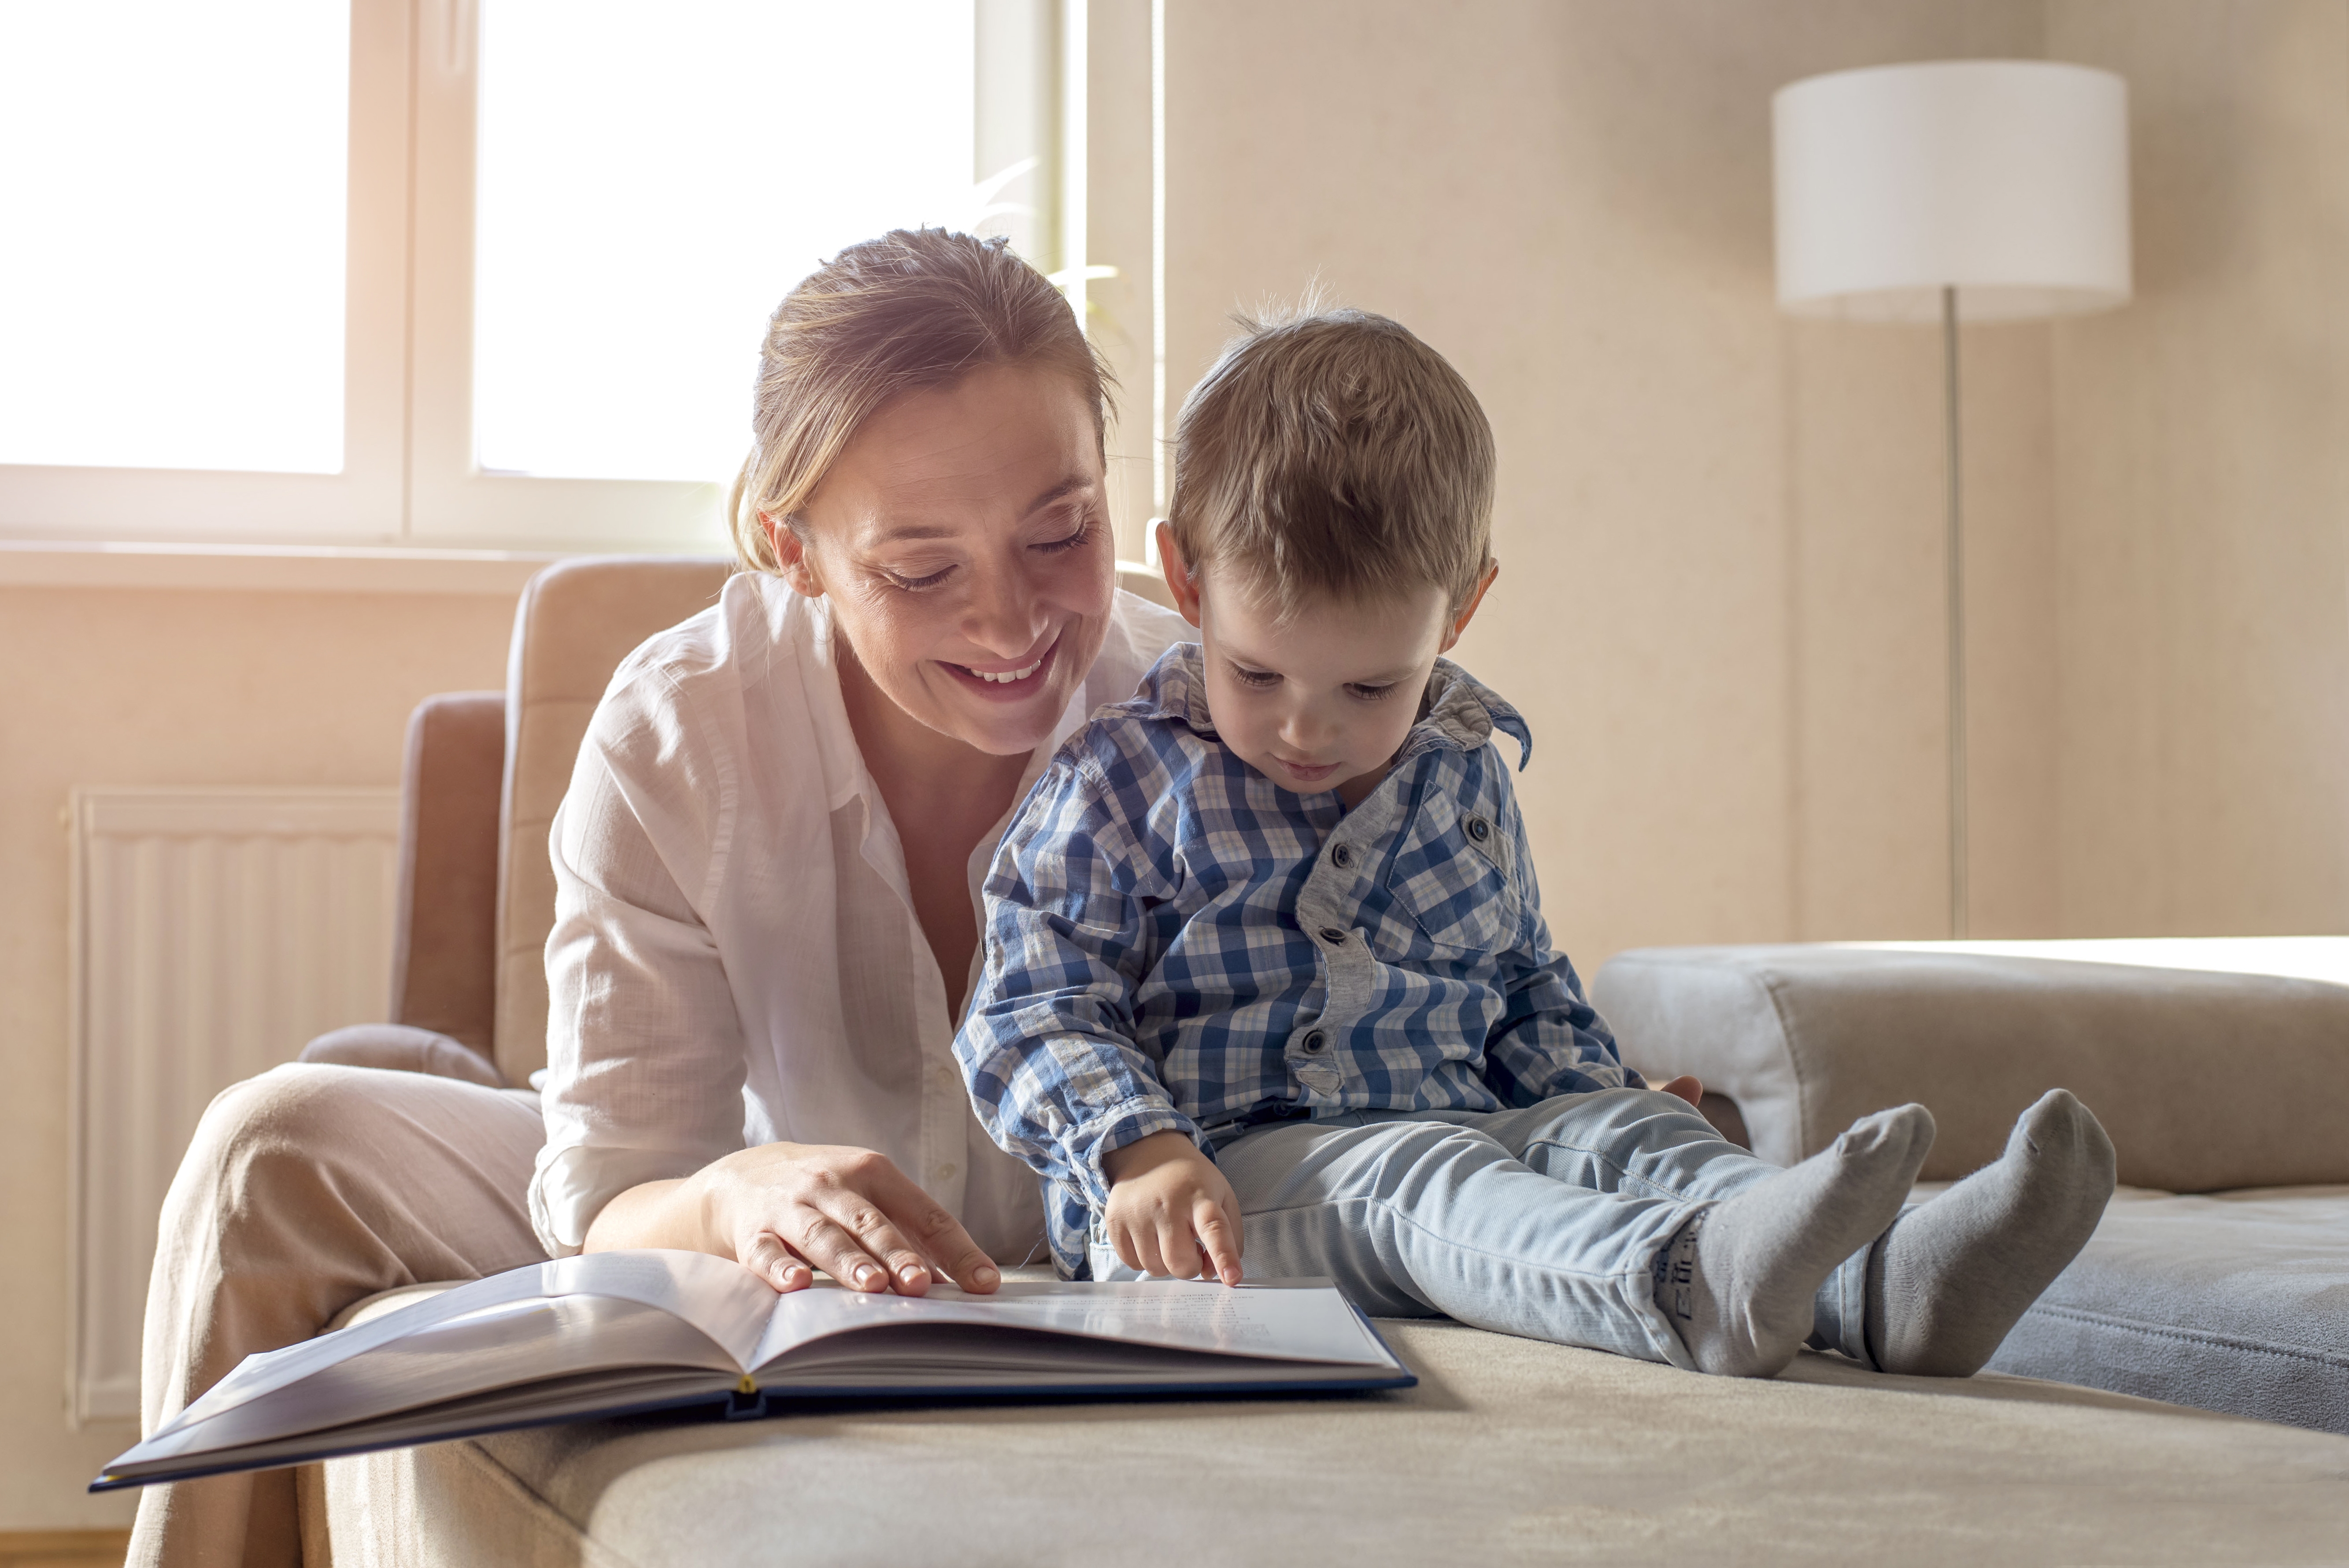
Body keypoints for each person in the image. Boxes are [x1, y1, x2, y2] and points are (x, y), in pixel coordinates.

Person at [129, 229, 1191, 1567]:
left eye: (1062, 533)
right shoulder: (681, 733)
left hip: (1066, 1249)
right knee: (272, 1142)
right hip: (729, 1196)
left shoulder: (1206, 719)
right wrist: (736, 1192)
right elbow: (617, 1194)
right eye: (922, 571)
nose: (1014, 621)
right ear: (787, 546)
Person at [954, 307, 2117, 1378]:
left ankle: (1882, 1290)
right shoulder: (1119, 781)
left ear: (1460, 612)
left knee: (1622, 1128)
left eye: (1372, 684)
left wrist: (1600, 1096)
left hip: (1457, 1117)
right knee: (1422, 1179)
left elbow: (1519, 989)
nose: (1308, 728)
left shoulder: (1460, 773)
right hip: (1218, 1186)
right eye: (1257, 674)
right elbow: (1029, 1001)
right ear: (1190, 579)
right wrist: (1136, 1149)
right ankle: (1684, 1285)